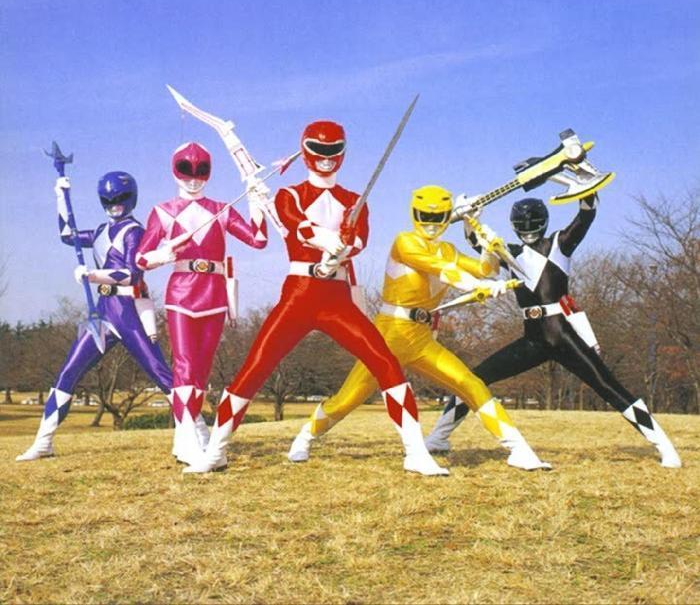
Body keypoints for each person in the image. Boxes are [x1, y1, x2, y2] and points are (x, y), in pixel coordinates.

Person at [184, 121, 447, 476]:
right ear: (306, 150)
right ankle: (215, 451)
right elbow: (298, 226)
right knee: (256, 367)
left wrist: (346, 245)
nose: (325, 158)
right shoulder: (289, 194)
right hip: (300, 295)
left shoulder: (355, 201)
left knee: (385, 363)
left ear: (343, 152)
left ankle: (415, 452)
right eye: (319, 150)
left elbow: (360, 240)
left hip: (337, 299)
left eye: (333, 150)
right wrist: (328, 239)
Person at [287, 185, 551, 470]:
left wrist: (487, 246)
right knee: (347, 399)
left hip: (422, 338)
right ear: (415, 214)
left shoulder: (448, 249)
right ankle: (305, 437)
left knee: (470, 383)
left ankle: (518, 449)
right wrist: (478, 286)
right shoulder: (405, 242)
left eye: (438, 218)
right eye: (425, 216)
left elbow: (487, 269)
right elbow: (442, 270)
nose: (431, 224)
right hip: (390, 335)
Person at [426, 194, 682, 468]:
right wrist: (470, 217)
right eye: (523, 224)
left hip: (562, 334)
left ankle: (665, 446)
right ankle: (439, 438)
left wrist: (585, 186)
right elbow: (478, 244)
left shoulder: (559, 243)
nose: (527, 229)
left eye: (531, 223)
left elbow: (586, 215)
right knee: (474, 379)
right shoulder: (509, 253)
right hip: (533, 339)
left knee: (608, 386)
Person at [16, 172, 173, 461]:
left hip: (129, 312)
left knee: (161, 374)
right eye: (109, 200)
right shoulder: (102, 230)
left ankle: (197, 433)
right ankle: (43, 441)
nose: (115, 205)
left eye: (120, 199)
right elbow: (68, 236)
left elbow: (131, 274)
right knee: (68, 372)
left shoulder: (135, 232)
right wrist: (60, 196)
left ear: (131, 199)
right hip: (103, 313)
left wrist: (92, 275)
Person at [136, 142, 268, 466]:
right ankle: (188, 440)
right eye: (186, 170)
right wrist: (163, 254)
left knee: (201, 371)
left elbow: (258, 239)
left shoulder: (223, 209)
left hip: (214, 294)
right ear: (174, 170)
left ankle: (189, 435)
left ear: (209, 172)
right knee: (184, 365)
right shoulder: (163, 211)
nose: (193, 178)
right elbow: (140, 258)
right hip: (182, 293)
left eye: (201, 170)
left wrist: (256, 200)